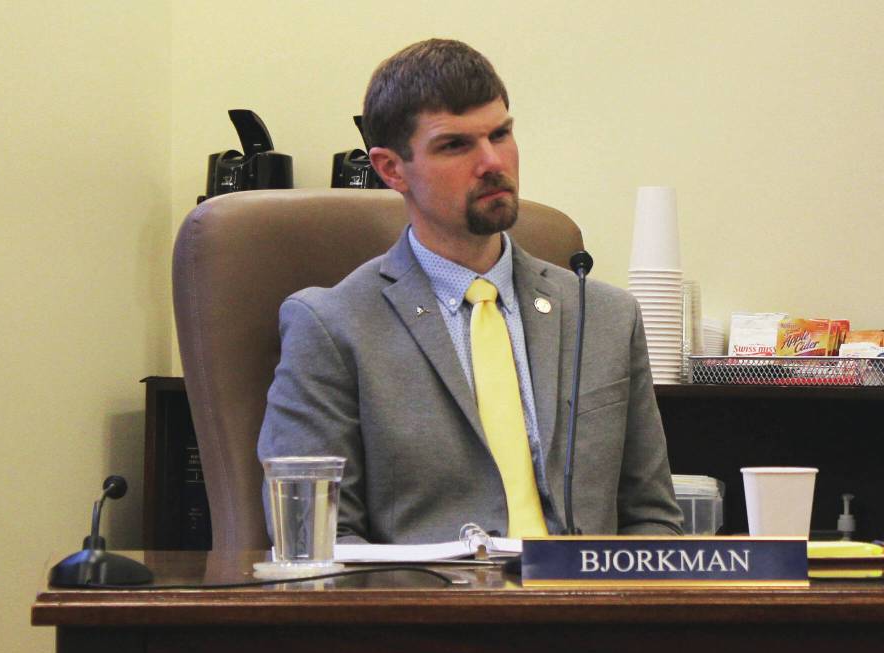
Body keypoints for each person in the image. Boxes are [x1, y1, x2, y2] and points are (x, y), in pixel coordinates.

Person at [258, 39, 682, 543]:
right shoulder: (333, 327)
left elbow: (653, 521)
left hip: (581, 591)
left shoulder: (605, 317)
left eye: (500, 134)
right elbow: (317, 541)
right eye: (455, 145)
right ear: (391, 169)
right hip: (425, 593)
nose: (492, 162)